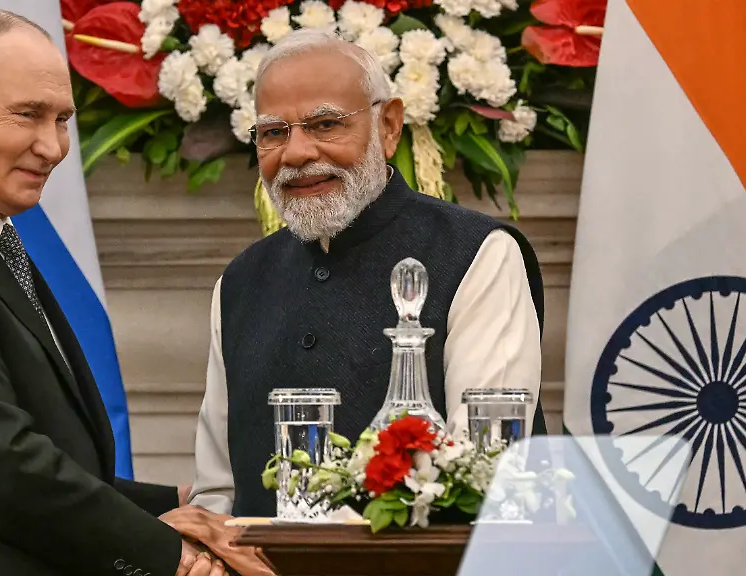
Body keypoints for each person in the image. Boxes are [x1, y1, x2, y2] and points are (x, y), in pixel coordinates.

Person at [0, 10, 270, 576]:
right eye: (27, 115)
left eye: (63, 119)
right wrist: (171, 557)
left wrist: (179, 507)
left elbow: (50, 452)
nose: (54, 146)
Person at [188, 29, 547, 518]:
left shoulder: (478, 254)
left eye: (325, 125)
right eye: (273, 133)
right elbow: (216, 491)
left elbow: (485, 478)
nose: (295, 154)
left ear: (389, 126)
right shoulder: (240, 282)